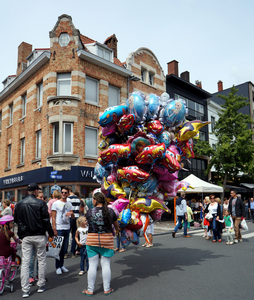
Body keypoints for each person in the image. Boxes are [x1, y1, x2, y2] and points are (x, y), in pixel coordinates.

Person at [14, 183, 54, 297]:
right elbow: (46, 220)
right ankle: (41, 284)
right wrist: (50, 233)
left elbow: (16, 219)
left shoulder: (19, 204)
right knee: (41, 260)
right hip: (39, 234)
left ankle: (25, 289)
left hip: (26, 235)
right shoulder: (41, 203)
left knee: (26, 262)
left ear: (28, 191)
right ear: (36, 191)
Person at [83, 191, 119, 296]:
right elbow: (117, 226)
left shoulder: (89, 212)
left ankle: (90, 290)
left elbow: (87, 223)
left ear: (95, 200)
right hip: (106, 240)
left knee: (92, 265)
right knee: (106, 264)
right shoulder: (111, 211)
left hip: (92, 240)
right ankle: (107, 289)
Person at [51, 186, 74, 275]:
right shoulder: (56, 203)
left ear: (68, 194)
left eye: (65, 192)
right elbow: (53, 217)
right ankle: (57, 266)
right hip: (59, 228)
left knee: (64, 249)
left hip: (67, 228)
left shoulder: (69, 203)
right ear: (61, 193)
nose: (64, 194)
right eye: (62, 192)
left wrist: (71, 213)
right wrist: (54, 228)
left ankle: (62, 265)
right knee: (58, 249)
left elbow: (73, 216)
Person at [29, 191, 45, 286]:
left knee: (40, 257)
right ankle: (31, 276)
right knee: (31, 257)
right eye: (40, 197)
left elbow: (46, 220)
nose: (42, 199)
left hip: (41, 234)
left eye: (43, 197)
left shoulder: (43, 207)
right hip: (31, 234)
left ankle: (39, 275)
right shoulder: (31, 207)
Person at [67, 188, 81, 258]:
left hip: (71, 217)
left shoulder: (68, 198)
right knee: (75, 235)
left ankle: (65, 252)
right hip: (77, 217)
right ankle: (73, 252)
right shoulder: (78, 198)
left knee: (67, 234)